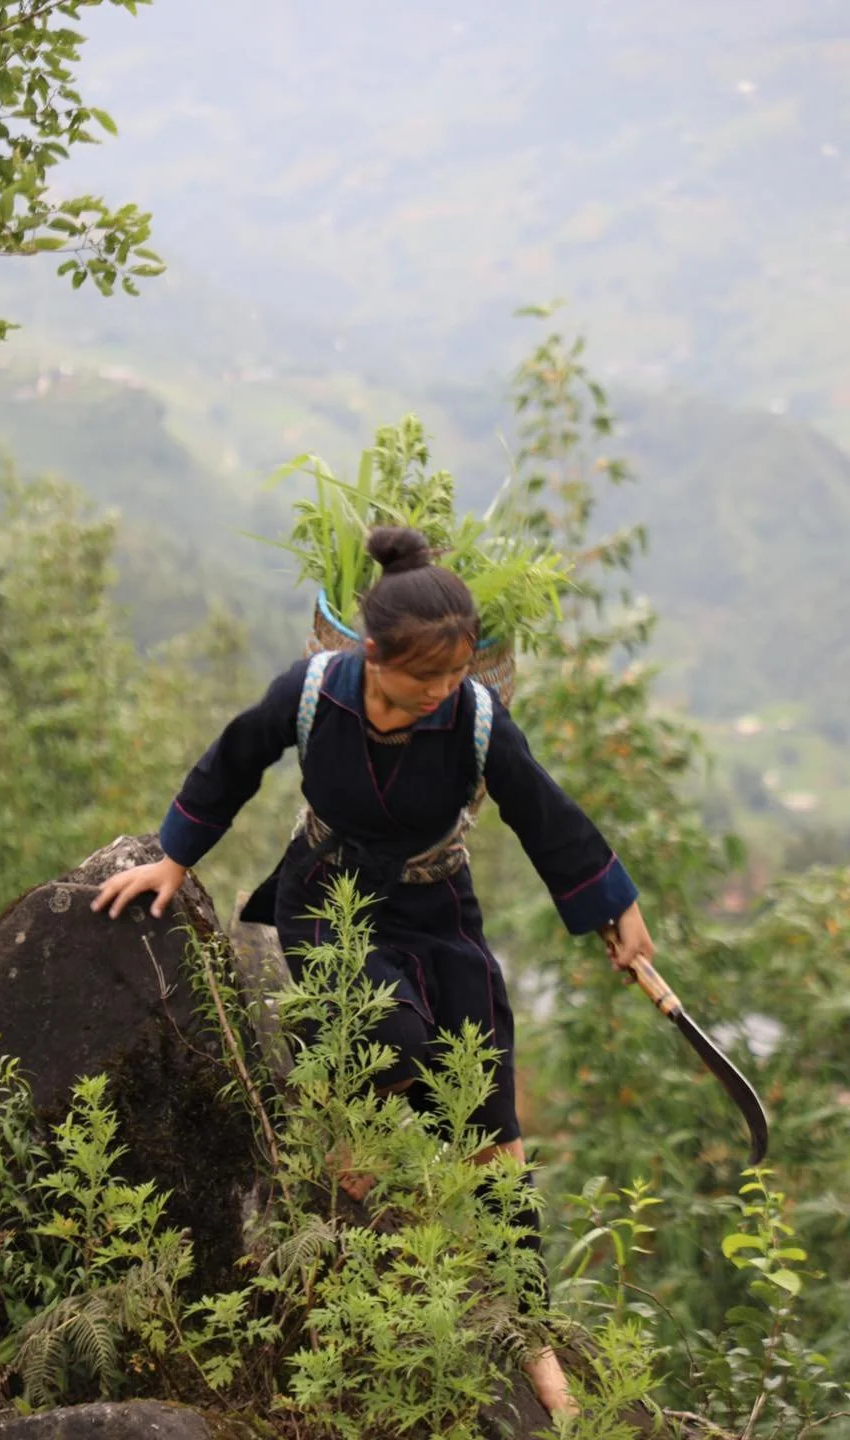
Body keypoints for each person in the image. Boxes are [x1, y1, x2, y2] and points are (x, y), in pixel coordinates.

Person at [93, 525, 655, 1418]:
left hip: (440, 911)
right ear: (371, 655)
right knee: (388, 1033)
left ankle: (532, 1338)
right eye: (419, 679)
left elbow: (545, 813)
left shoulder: (471, 716)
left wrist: (613, 908)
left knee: (488, 1107)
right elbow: (233, 760)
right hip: (330, 898)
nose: (437, 695)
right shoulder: (314, 694)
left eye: (452, 677)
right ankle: (364, 1221)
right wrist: (173, 855)